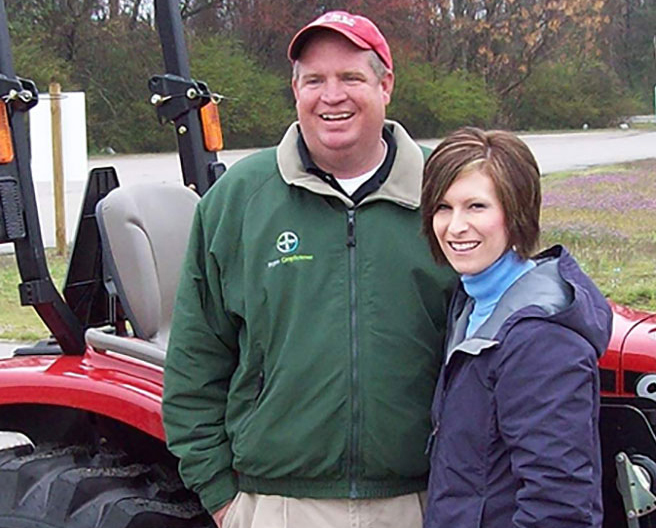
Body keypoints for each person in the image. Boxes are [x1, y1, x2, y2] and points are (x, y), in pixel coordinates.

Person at [162, 11, 454, 528]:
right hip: (279, 505)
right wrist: (222, 497)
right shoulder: (238, 200)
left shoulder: (447, 194)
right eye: (314, 80)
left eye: (351, 78)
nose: (331, 96)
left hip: (421, 502)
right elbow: (195, 362)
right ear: (295, 89)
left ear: (385, 85)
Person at [419, 127, 612, 528]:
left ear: (517, 211)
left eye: (476, 207)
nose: (455, 227)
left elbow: (560, 505)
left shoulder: (540, 337)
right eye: (443, 207)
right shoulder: (471, 306)